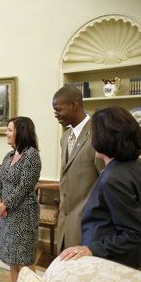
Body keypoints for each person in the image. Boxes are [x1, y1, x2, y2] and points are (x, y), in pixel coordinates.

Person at [60, 106, 141, 268]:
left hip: (109, 262)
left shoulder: (115, 177)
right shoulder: (135, 166)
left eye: (94, 134)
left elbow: (134, 234)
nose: (91, 139)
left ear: (106, 138)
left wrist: (91, 249)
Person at [0, 116, 41, 282]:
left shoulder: (32, 155)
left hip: (24, 215)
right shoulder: (8, 156)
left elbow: (24, 187)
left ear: (21, 132)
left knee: (24, 260)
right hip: (7, 215)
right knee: (13, 259)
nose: (6, 133)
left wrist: (5, 205)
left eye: (9, 130)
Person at [53, 86, 104, 253]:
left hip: (87, 226)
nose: (56, 115)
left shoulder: (98, 134)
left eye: (59, 110)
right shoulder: (65, 138)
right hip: (65, 223)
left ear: (74, 105)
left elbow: (105, 183)